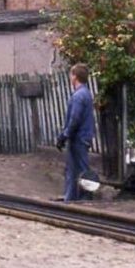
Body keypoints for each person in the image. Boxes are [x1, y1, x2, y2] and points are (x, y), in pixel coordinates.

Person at [56, 63, 96, 202]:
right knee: (73, 168)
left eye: (71, 75)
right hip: (81, 136)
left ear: (75, 76)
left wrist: (64, 136)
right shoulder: (85, 93)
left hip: (79, 137)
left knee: (79, 168)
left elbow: (75, 119)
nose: (70, 78)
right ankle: (71, 197)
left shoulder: (79, 96)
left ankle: (84, 196)